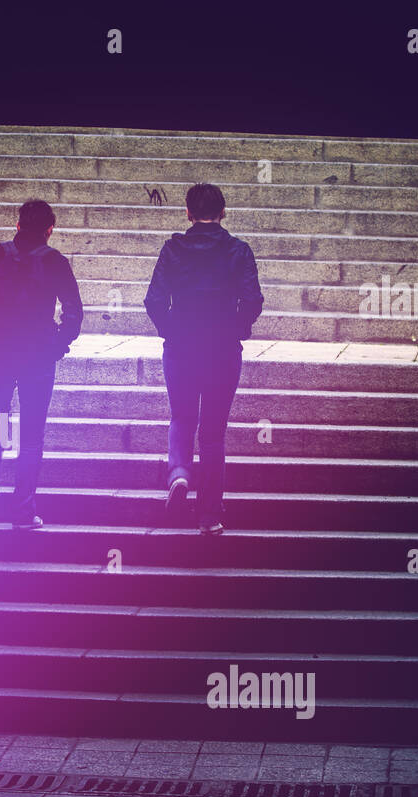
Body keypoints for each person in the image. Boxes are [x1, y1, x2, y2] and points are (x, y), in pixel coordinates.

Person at [143, 183, 263, 535]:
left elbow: (153, 300)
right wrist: (236, 329)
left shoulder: (173, 249)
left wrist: (171, 330)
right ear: (223, 213)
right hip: (222, 351)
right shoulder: (238, 251)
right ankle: (210, 515)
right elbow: (252, 300)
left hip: (181, 349)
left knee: (181, 417)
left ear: (188, 213)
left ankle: (179, 474)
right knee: (213, 434)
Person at [0, 199, 83, 530]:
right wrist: (59, 344)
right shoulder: (55, 261)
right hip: (38, 356)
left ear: (17, 226)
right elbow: (74, 310)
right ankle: (24, 510)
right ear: (49, 230)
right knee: (31, 436)